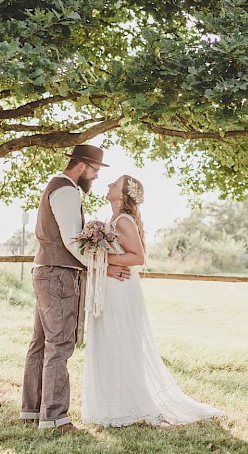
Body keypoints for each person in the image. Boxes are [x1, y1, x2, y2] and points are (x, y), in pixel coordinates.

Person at [80, 174, 223, 427]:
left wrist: (99, 259)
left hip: (121, 288)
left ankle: (129, 403)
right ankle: (112, 402)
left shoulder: (123, 221)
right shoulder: (111, 220)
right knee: (110, 340)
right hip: (110, 287)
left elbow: (138, 258)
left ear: (123, 195)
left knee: (121, 341)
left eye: (114, 184)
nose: (108, 185)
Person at [20, 144, 130, 432]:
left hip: (47, 270)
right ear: (81, 166)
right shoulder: (67, 190)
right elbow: (71, 240)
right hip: (59, 274)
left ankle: (32, 410)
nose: (94, 177)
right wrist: (103, 267)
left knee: (41, 343)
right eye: (94, 170)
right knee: (59, 344)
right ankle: (55, 418)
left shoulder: (57, 188)